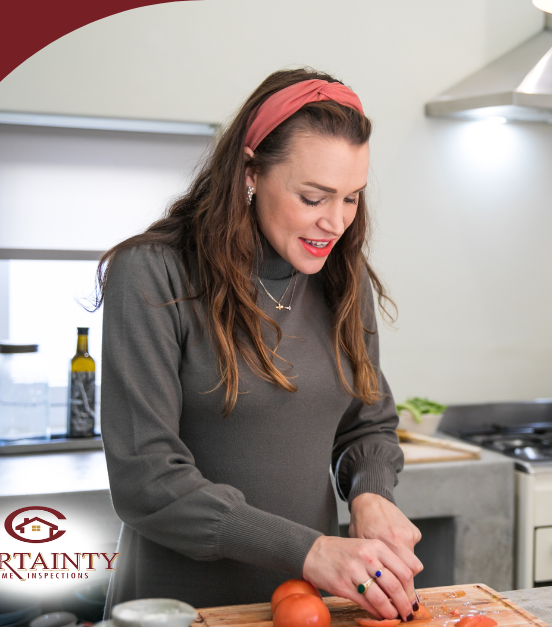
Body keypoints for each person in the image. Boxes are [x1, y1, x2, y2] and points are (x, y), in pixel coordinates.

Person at [97, 69, 423, 619]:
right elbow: (145, 479)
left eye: (351, 198)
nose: (336, 222)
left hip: (304, 606)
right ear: (251, 172)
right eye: (314, 196)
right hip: (179, 609)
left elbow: (366, 421)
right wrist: (309, 550)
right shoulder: (153, 274)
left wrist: (370, 492)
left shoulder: (344, 279)